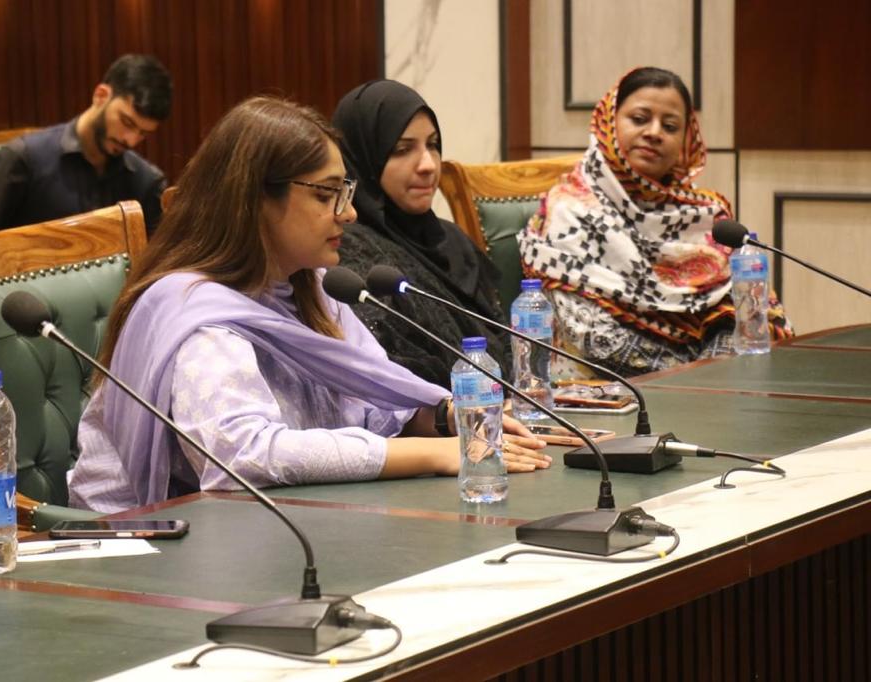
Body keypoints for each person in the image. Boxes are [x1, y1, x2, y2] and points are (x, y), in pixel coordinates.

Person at [69, 96, 549, 512]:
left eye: (347, 192)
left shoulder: (311, 287)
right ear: (253, 199)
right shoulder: (194, 312)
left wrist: (449, 418)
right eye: (326, 195)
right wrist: (436, 453)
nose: (350, 213)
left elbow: (375, 406)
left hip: (285, 525)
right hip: (138, 549)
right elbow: (246, 457)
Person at [516, 67, 792, 378]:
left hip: (712, 391)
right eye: (639, 119)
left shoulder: (707, 216)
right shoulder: (567, 210)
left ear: (686, 139)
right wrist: (698, 378)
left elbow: (749, 316)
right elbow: (593, 337)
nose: (654, 132)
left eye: (670, 126)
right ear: (609, 122)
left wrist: (715, 379)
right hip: (605, 395)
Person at [332, 80, 512, 389]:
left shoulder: (452, 241)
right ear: (364, 160)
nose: (428, 165)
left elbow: (506, 344)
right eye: (402, 150)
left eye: (433, 144)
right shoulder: (349, 253)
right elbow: (394, 378)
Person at [0, 54, 172, 234]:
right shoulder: (23, 159)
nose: (130, 140)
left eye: (143, 133)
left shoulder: (146, 183)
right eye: (127, 122)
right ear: (101, 95)